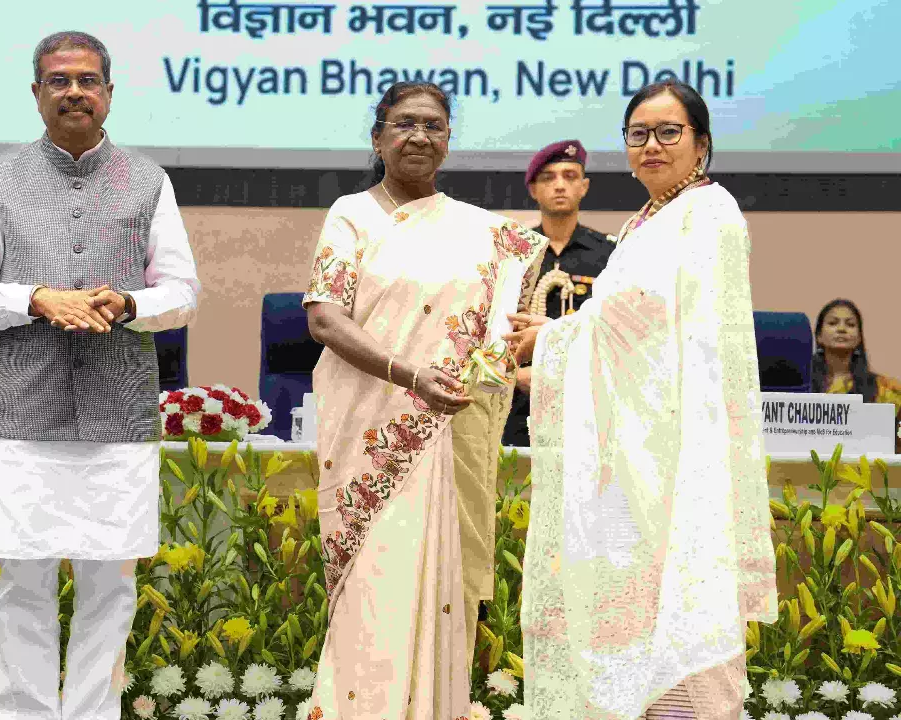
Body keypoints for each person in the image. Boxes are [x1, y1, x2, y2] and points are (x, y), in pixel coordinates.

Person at [0, 31, 199, 720]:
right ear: (37, 94)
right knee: (21, 585)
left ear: (109, 92)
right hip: (21, 416)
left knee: (110, 590)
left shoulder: (149, 180)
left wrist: (128, 304)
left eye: (88, 80)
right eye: (59, 81)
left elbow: (182, 291)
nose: (75, 91)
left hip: (117, 418)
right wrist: (34, 299)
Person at [508, 80, 777, 719]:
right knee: (626, 623)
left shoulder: (711, 213)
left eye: (668, 132)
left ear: (702, 144)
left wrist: (551, 340)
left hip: (673, 459)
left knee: (675, 621)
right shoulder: (648, 219)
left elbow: (646, 326)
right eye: (637, 134)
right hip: (628, 458)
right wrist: (557, 346)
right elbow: (620, 324)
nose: (651, 146)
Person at [301, 81, 547, 720]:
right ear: (378, 136)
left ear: (448, 140)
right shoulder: (353, 213)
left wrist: (512, 349)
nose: (419, 136)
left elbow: (498, 335)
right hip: (371, 436)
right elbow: (325, 320)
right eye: (405, 124)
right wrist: (411, 376)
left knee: (441, 589)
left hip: (451, 430)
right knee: (376, 591)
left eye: (434, 125)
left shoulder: (482, 232)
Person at [501, 139, 616, 448]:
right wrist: (516, 377)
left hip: (588, 400)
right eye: (548, 177)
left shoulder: (611, 255)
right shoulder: (514, 254)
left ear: (584, 186)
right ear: (533, 189)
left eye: (570, 176)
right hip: (519, 401)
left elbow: (615, 330)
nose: (560, 185)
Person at [812, 299, 901, 452]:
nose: (842, 329)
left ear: (859, 338)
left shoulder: (885, 388)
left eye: (850, 324)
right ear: (819, 336)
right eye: (833, 323)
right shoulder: (801, 384)